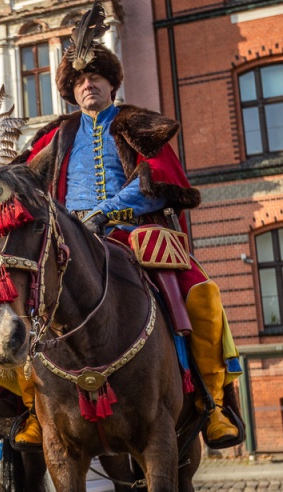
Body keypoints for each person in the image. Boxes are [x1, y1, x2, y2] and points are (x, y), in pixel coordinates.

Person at [21, 15, 242, 449]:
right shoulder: (56, 136)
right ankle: (33, 409)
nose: (89, 85)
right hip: (69, 242)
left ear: (111, 83)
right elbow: (24, 181)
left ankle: (213, 403)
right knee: (22, 306)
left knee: (202, 296)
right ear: (70, 89)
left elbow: (155, 178)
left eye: (96, 77)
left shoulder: (137, 123)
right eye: (80, 79)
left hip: (135, 235)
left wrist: (106, 211)